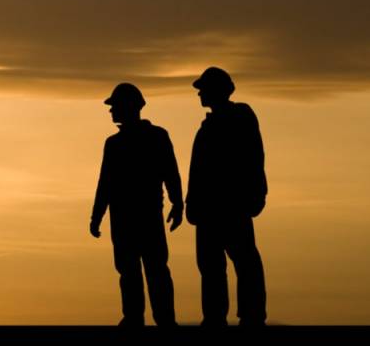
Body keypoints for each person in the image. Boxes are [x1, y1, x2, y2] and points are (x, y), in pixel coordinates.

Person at [90, 83, 183, 326]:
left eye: (115, 107)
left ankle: (163, 319)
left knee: (155, 270)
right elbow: (106, 184)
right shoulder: (114, 144)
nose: (111, 112)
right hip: (124, 218)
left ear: (128, 107)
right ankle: (135, 318)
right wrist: (96, 216)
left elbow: (170, 173)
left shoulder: (156, 137)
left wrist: (177, 203)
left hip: (145, 216)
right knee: (130, 270)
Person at [185, 67, 267, 326]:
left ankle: (251, 316)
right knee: (210, 266)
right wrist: (192, 203)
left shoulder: (240, 116)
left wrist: (256, 194)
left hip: (232, 205)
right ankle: (214, 317)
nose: (199, 94)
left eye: (204, 89)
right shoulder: (207, 128)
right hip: (209, 209)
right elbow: (197, 171)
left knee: (244, 260)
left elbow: (254, 158)